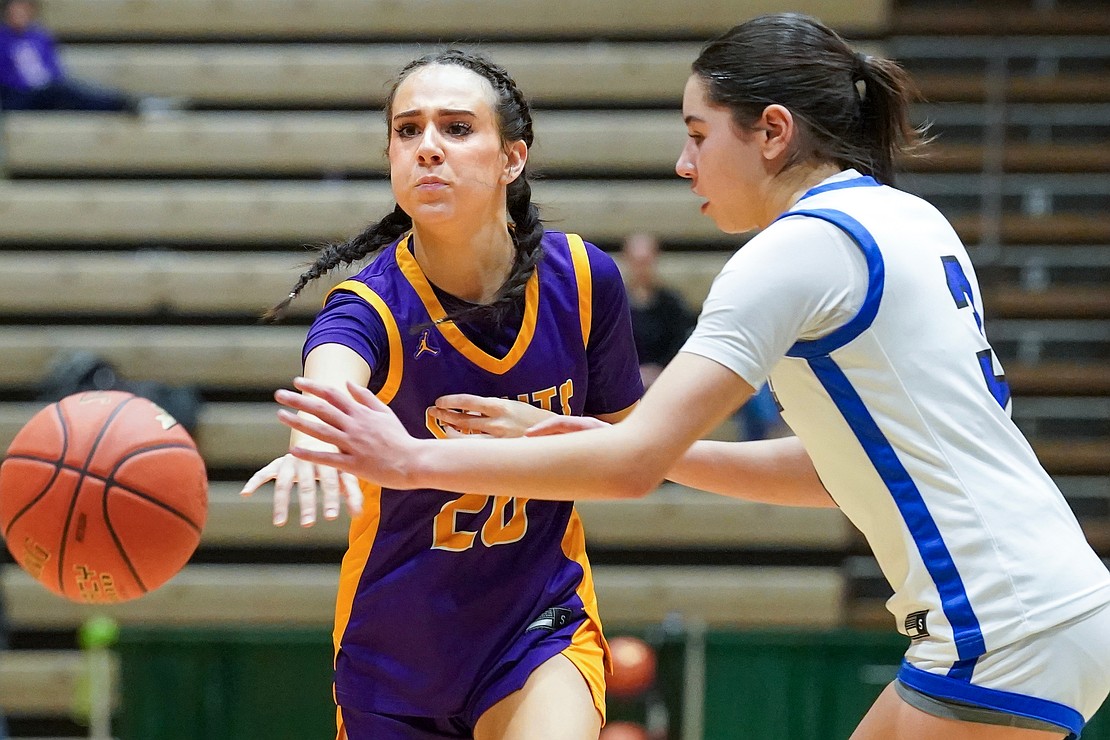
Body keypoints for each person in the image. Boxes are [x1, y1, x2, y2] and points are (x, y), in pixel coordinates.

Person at [269, 13, 1110, 740]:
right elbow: (840, 468)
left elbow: (631, 466)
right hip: (1041, 602)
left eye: (699, 135)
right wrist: (614, 440)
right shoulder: (905, 216)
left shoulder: (788, 255)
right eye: (406, 130)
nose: (683, 161)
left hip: (1001, 624)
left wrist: (408, 459)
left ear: (772, 132)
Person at [240, 49, 644, 740]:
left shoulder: (583, 278)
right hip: (397, 652)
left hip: (537, 625)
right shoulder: (370, 306)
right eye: (408, 130)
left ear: (512, 158)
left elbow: (634, 456)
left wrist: (543, 438)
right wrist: (313, 437)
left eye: (456, 128)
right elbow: (332, 375)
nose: (427, 147)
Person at [0, 0, 150, 112]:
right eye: (16, 11)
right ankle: (121, 104)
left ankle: (122, 103)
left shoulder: (40, 37)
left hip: (47, 91)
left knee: (68, 90)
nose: (20, 15)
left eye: (24, 10)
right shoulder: (3, 39)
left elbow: (53, 69)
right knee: (63, 91)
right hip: (17, 95)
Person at [619, 232, 696, 389]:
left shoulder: (672, 304)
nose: (641, 268)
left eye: (646, 261)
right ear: (626, 260)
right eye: (637, 262)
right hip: (621, 382)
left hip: (666, 380)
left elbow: (681, 344)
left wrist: (661, 371)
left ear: (655, 259)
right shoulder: (614, 303)